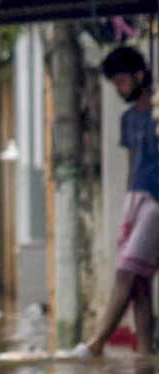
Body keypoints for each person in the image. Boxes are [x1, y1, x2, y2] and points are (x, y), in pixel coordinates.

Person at [76, 46, 157, 357]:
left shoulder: (156, 111)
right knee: (140, 282)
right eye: (116, 84)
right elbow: (133, 163)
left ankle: (98, 342)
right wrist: (128, 206)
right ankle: (145, 355)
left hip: (156, 201)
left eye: (122, 81)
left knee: (127, 271)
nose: (120, 89)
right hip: (136, 197)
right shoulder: (128, 119)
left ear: (140, 75)